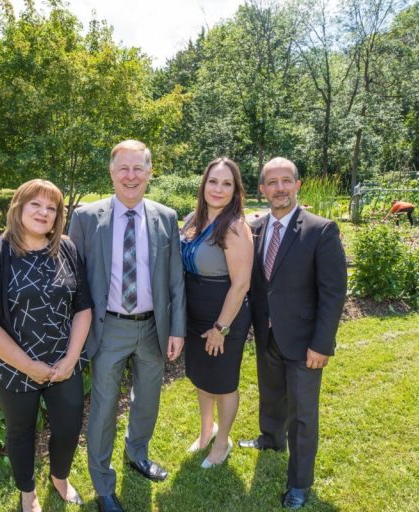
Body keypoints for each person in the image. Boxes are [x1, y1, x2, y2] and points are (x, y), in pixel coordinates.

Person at [69, 140, 186, 512]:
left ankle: (137, 453)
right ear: (111, 171)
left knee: (147, 400)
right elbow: (75, 280)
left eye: (139, 168)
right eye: (124, 168)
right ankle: (103, 485)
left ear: (150, 172)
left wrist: (177, 329)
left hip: (153, 327)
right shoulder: (87, 218)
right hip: (109, 329)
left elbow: (175, 280)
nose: (131, 176)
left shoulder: (166, 216)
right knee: (103, 408)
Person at [0, 179, 93, 512]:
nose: (44, 212)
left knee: (68, 426)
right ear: (18, 208)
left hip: (63, 364)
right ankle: (27, 492)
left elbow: (83, 307)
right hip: (12, 368)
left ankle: (60, 478)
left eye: (51, 208)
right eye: (36, 204)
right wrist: (29, 366)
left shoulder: (66, 248)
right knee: (21, 432)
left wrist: (70, 358)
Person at [240, 158, 347, 510]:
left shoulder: (321, 230)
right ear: (262, 189)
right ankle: (270, 439)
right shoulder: (254, 229)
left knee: (302, 416)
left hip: (304, 342)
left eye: (287, 181)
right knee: (271, 396)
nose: (280, 188)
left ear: (297, 185)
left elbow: (333, 293)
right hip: (267, 334)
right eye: (272, 182)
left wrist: (322, 343)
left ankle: (299, 483)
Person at [180, 157, 253, 469]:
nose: (219, 189)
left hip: (224, 316)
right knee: (200, 377)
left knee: (223, 383)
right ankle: (206, 430)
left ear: (236, 190)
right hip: (195, 316)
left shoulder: (235, 227)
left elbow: (241, 285)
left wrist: (220, 328)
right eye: (213, 181)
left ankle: (222, 441)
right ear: (204, 184)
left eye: (227, 184)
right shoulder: (191, 221)